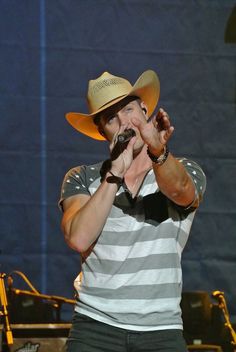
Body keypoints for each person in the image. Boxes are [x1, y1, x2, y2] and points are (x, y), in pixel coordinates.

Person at [59, 69, 206, 352]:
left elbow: (182, 192)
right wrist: (114, 173)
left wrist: (158, 152)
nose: (125, 122)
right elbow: (78, 238)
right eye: (111, 118)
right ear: (102, 132)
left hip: (161, 331)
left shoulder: (185, 169)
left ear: (145, 110)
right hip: (95, 328)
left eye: (128, 109)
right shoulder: (83, 178)